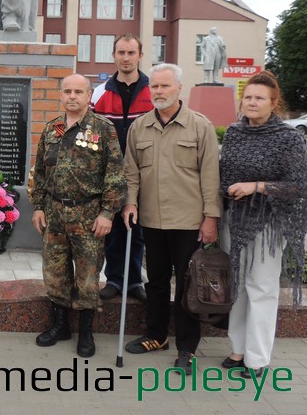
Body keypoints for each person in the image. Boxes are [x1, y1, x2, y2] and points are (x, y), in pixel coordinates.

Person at [122, 63, 221, 375]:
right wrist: (130, 203)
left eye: (165, 86)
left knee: (187, 286)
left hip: (188, 221)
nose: (159, 92)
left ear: (180, 88)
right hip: (151, 219)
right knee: (157, 282)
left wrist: (210, 218)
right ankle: (156, 335)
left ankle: (187, 347)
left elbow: (210, 177)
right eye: (155, 87)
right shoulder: (140, 127)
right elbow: (131, 172)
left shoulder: (199, 126)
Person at [218, 71, 307, 379]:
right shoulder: (233, 133)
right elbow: (223, 175)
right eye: (248, 97)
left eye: (260, 98)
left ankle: (257, 358)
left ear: (274, 103)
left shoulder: (288, 138)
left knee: (261, 289)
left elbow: (297, 186)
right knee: (239, 287)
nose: (252, 102)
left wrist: (256, 186)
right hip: (235, 220)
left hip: (268, 225)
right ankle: (237, 349)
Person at [31, 74, 126, 357]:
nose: (72, 96)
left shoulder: (103, 128)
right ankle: (60, 325)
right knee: (55, 273)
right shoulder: (53, 128)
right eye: (67, 91)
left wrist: (108, 212)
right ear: (61, 95)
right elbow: (40, 171)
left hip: (89, 215)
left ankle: (86, 331)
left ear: (88, 96)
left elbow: (115, 175)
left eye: (78, 92)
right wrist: (37, 206)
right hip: (55, 214)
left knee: (87, 276)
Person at [90, 34, 152, 303]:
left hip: (145, 171)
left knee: (138, 228)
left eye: (131, 52)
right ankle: (115, 279)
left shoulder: (153, 91)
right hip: (109, 172)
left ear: (140, 55)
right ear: (114, 56)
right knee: (114, 228)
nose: (126, 58)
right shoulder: (101, 91)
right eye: (121, 53)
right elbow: (90, 129)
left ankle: (135, 280)